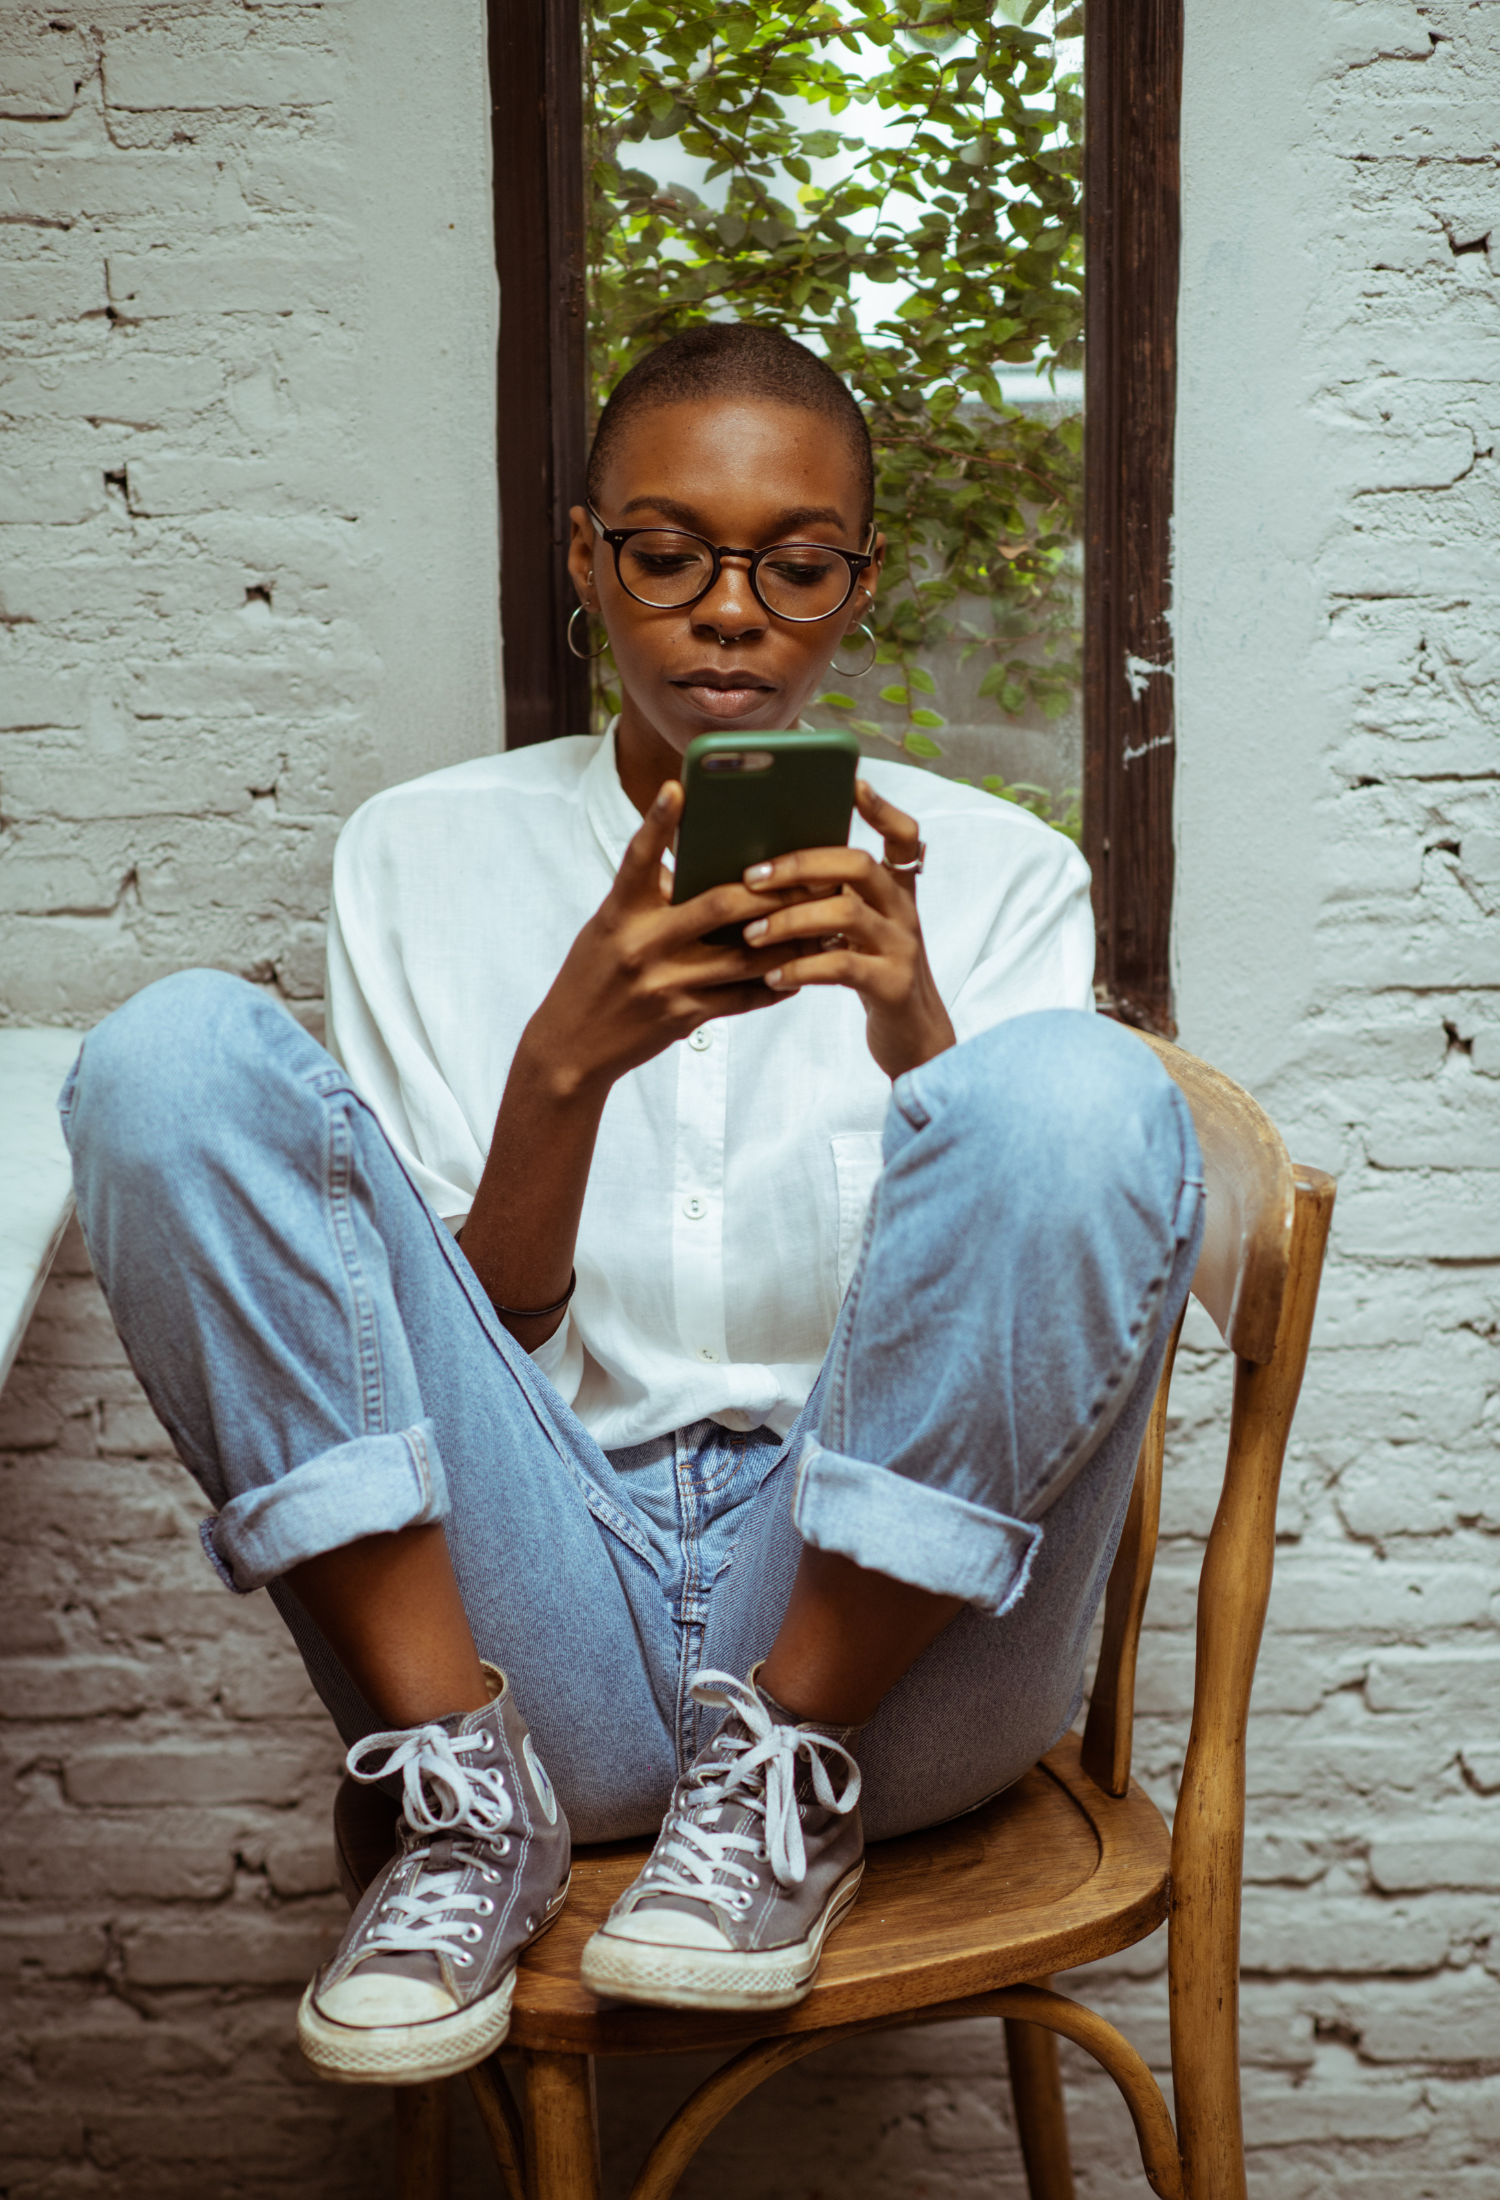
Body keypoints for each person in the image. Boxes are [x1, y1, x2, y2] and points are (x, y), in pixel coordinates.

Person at [61, 325, 1203, 2085]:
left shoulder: (999, 878)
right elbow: (465, 1346)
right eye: (666, 553)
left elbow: (1022, 1310)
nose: (728, 610)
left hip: (892, 1669)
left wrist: (917, 1027)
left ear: (854, 585)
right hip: (536, 1642)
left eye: (795, 564)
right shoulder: (419, 856)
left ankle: (783, 1771)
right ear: (589, 562)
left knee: (1075, 1089)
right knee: (164, 1060)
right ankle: (466, 1809)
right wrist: (566, 1068)